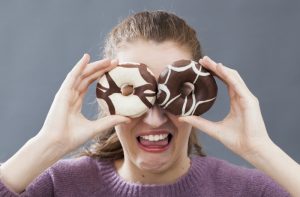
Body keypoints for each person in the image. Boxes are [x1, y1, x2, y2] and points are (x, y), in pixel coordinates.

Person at [0, 10, 299, 197]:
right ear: (108, 100)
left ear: (196, 98)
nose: (155, 119)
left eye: (171, 95)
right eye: (137, 95)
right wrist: (47, 143)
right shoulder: (60, 187)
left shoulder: (246, 191)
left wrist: (260, 150)